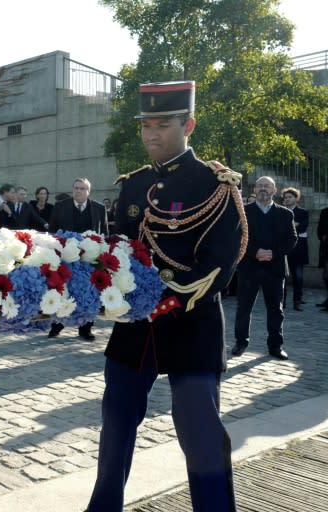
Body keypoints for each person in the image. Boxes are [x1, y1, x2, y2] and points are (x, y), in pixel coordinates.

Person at [86, 81, 243, 511]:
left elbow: (219, 262)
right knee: (115, 427)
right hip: (135, 329)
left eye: (162, 125)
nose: (151, 134)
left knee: (201, 433)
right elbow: (117, 250)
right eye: (146, 126)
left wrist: (167, 297)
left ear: (188, 124)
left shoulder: (215, 183)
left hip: (191, 324)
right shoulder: (133, 185)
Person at [232, 176, 297, 360]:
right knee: (243, 307)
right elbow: (236, 238)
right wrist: (255, 252)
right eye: (259, 185)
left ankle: (276, 346)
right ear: (254, 190)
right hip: (249, 267)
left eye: (267, 186)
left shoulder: (285, 214)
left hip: (275, 268)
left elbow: (292, 239)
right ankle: (241, 342)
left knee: (276, 310)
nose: (263, 188)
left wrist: (273, 253)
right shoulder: (243, 212)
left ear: (274, 190)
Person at [48, 177, 108, 340]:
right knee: (64, 290)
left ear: (88, 191)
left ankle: (85, 328)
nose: (78, 191)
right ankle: (57, 325)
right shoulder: (61, 207)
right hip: (67, 257)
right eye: (76, 188)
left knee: (89, 292)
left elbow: (104, 233)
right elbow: (53, 231)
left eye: (82, 188)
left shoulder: (99, 208)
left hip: (90, 259)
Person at [281, 187, 308, 311]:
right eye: (285, 197)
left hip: (298, 250)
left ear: (296, 198)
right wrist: (294, 224)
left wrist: (291, 225)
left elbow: (302, 227)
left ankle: (297, 301)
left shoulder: (303, 212)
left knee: (298, 277)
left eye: (290, 197)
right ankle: (282, 301)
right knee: (282, 278)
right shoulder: (280, 211)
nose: (287, 199)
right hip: (284, 249)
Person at [318, 206, 328, 310]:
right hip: (326, 247)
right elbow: (320, 229)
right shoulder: (325, 211)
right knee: (326, 275)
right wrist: (323, 236)